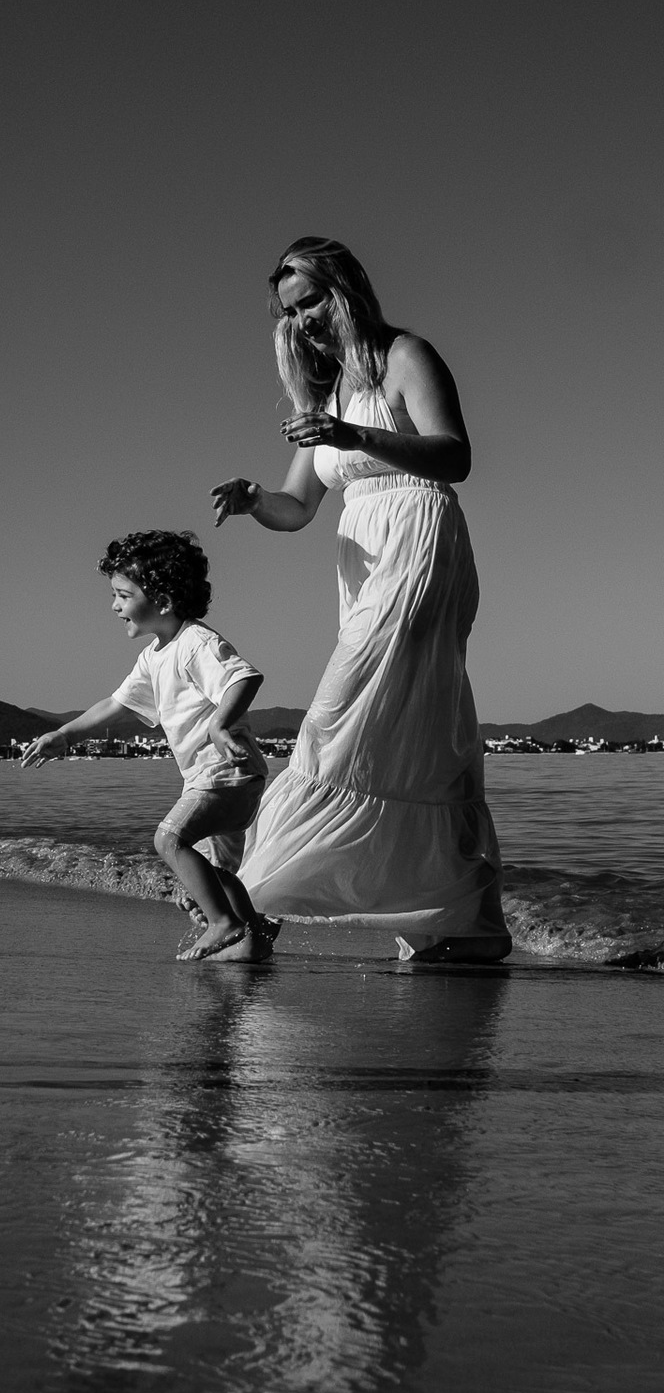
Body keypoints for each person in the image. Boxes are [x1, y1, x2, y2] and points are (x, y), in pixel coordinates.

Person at [211, 237, 511, 964]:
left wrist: (354, 432)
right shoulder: (326, 389)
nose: (303, 319)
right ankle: (464, 924)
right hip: (361, 555)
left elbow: (456, 456)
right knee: (418, 733)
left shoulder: (406, 356)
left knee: (339, 719)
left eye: (312, 300)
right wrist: (256, 499)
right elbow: (298, 507)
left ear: (347, 289)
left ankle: (256, 906)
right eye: (290, 310)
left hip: (419, 536)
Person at [21, 531, 272, 963]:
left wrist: (220, 725)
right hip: (213, 777)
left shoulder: (195, 642)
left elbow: (244, 677)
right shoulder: (156, 654)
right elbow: (116, 704)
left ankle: (225, 924)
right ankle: (254, 935)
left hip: (226, 772)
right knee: (213, 871)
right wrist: (64, 735)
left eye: (123, 594)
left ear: (164, 600)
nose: (114, 606)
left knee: (169, 838)